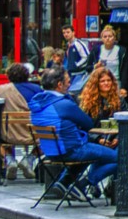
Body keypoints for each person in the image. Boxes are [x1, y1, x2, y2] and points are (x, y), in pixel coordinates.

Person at [28, 67, 118, 197]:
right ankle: (82, 184)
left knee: (90, 152)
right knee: (122, 158)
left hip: (51, 151)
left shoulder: (37, 104)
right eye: (68, 81)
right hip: (71, 150)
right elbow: (88, 124)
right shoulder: (64, 104)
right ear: (60, 85)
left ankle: (63, 184)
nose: (70, 84)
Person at [0, 63, 41, 179]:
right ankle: (29, 159)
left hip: (8, 134)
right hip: (33, 134)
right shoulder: (37, 89)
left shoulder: (1, 90)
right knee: (50, 138)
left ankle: (9, 159)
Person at [78, 67, 122, 148]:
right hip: (94, 141)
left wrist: (117, 139)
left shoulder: (120, 100)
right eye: (102, 81)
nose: (106, 83)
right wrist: (98, 139)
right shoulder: (87, 102)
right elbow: (82, 127)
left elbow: (123, 123)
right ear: (96, 83)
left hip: (114, 140)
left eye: (109, 80)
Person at [92, 26, 128, 98]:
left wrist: (123, 87)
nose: (107, 38)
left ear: (114, 38)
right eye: (105, 36)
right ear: (102, 38)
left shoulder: (121, 51)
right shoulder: (96, 50)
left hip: (116, 82)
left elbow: (125, 70)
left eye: (110, 36)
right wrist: (95, 66)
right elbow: (88, 67)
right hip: (100, 82)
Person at [61, 24, 94, 95]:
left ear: (73, 32)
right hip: (71, 74)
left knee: (76, 94)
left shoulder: (78, 44)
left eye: (68, 32)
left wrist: (77, 65)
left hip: (80, 74)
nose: (66, 34)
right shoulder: (68, 45)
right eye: (64, 33)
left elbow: (87, 57)